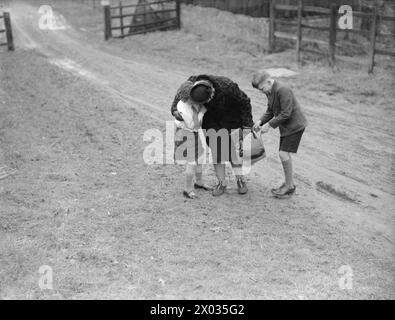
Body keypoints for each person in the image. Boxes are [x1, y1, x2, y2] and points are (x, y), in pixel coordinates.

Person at [171, 75, 254, 196]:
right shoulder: (191, 83)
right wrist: (175, 111)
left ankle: (240, 180)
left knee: (232, 152)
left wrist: (247, 127)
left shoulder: (228, 87)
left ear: (211, 94)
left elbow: (245, 102)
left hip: (231, 119)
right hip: (211, 122)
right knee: (218, 151)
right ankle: (222, 183)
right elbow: (178, 99)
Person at [252, 70, 307, 198]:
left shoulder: (282, 90)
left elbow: (286, 113)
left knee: (283, 154)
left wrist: (269, 125)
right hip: (286, 127)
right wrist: (260, 122)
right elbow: (270, 111)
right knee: (284, 154)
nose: (262, 92)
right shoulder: (270, 91)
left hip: (295, 126)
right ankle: (289, 184)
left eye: (262, 88)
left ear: (268, 81)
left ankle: (289, 187)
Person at [173, 81, 213, 199]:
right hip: (185, 134)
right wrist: (202, 112)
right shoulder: (182, 106)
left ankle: (199, 182)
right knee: (192, 163)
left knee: (200, 158)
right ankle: (187, 189)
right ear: (186, 98)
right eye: (191, 100)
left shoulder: (191, 103)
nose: (193, 101)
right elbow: (192, 125)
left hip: (193, 135)